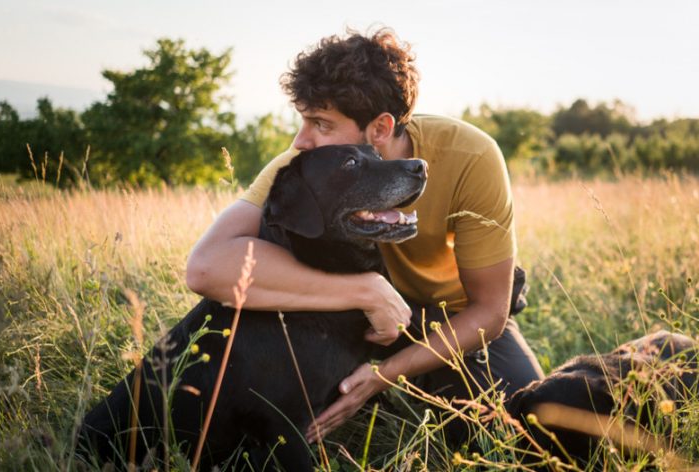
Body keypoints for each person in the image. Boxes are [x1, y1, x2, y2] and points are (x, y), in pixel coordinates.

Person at [185, 27, 542, 444]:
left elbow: (489, 311)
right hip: (355, 320)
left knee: (524, 428)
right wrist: (366, 291)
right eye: (303, 120)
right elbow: (206, 268)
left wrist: (382, 377)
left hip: (452, 320)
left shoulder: (471, 156)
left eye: (321, 123)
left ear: (379, 128)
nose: (301, 140)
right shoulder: (304, 163)